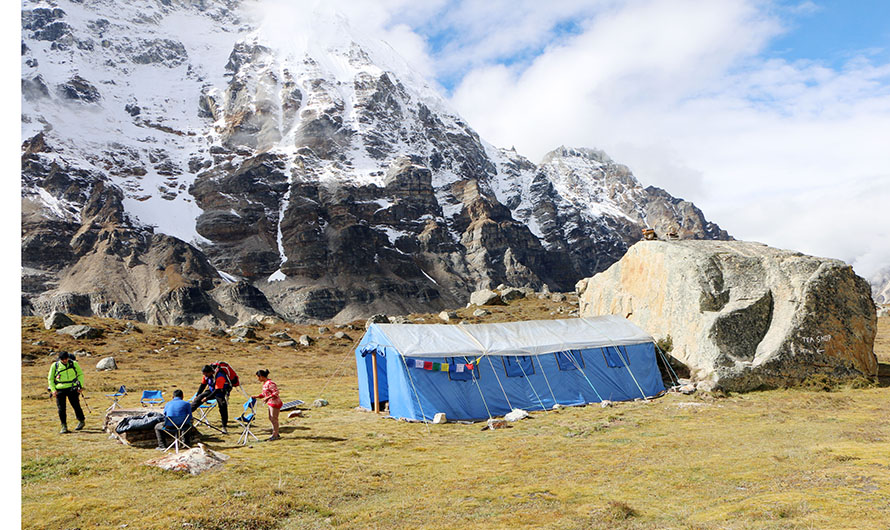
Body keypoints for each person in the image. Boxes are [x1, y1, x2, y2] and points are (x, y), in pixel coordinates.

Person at [47, 351, 85, 434]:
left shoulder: (74, 364)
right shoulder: (55, 366)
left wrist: (80, 385)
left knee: (76, 405)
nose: (65, 360)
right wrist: (53, 390)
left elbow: (80, 374)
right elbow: (50, 379)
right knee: (61, 408)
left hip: (72, 388)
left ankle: (81, 420)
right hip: (60, 389)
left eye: (66, 359)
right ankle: (64, 426)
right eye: (63, 359)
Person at [192, 364, 231, 434]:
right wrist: (197, 395)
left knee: (222, 406)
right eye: (204, 374)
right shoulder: (206, 376)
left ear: (210, 372)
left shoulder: (220, 376)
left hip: (220, 392)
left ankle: (224, 426)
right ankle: (186, 414)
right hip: (211, 390)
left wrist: (207, 398)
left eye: (206, 374)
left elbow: (217, 390)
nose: (205, 376)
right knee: (199, 398)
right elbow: (203, 385)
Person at [251, 369, 283, 441]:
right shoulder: (265, 384)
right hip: (270, 403)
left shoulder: (270, 383)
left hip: (275, 402)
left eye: (258, 377)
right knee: (271, 418)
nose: (258, 379)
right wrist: (257, 396)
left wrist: (267, 398)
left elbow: (276, 392)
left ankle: (275, 434)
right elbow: (264, 394)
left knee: (274, 419)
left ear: (261, 376)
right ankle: (276, 433)